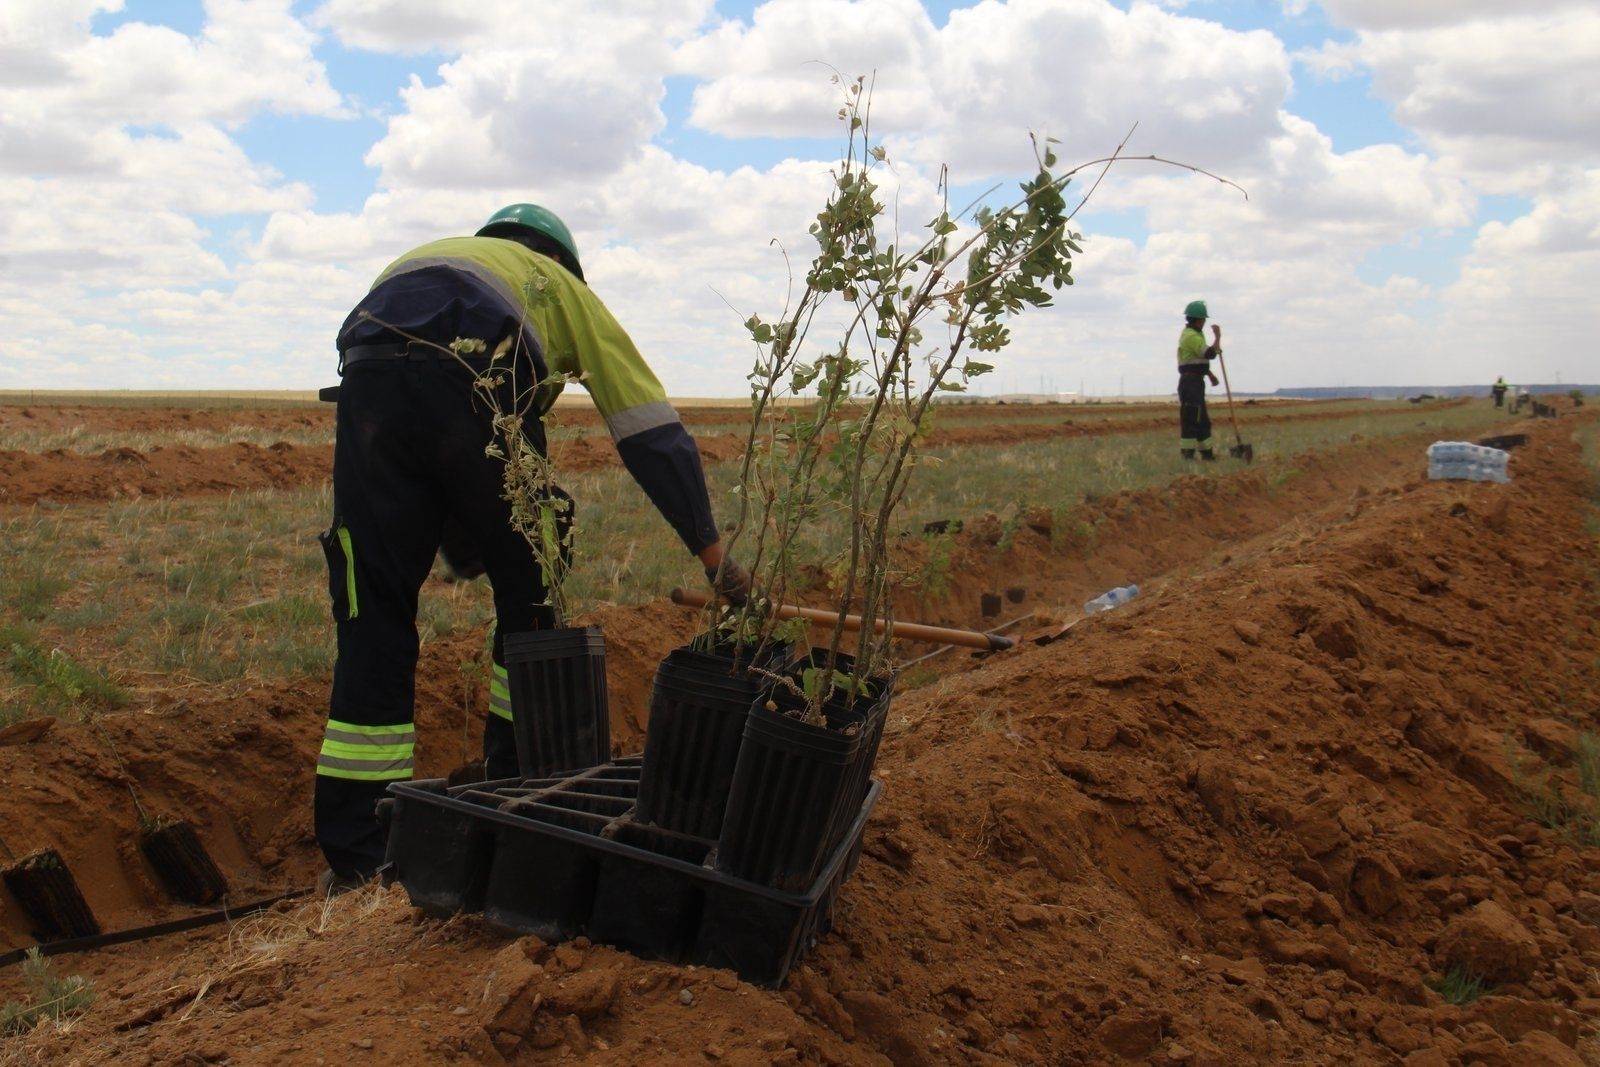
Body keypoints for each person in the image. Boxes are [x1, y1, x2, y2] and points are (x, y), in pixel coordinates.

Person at [314, 203, 750, 889]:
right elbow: (650, 431)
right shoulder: (561, 289)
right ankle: (518, 794)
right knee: (534, 590)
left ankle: (363, 855)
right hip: (483, 363)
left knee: (373, 609)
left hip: (366, 375)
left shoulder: (426, 257)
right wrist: (714, 556)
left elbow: (413, 399)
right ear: (562, 262)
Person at [1176, 299, 1222, 460]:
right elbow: (1209, 354)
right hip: (1190, 384)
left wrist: (1209, 374)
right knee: (1191, 418)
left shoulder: (1196, 334)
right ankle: (1187, 455)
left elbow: (1197, 361)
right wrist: (1217, 337)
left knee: (1202, 420)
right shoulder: (1190, 336)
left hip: (1195, 381)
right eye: (1203, 319)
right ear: (1199, 319)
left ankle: (1207, 454)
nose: (1204, 322)